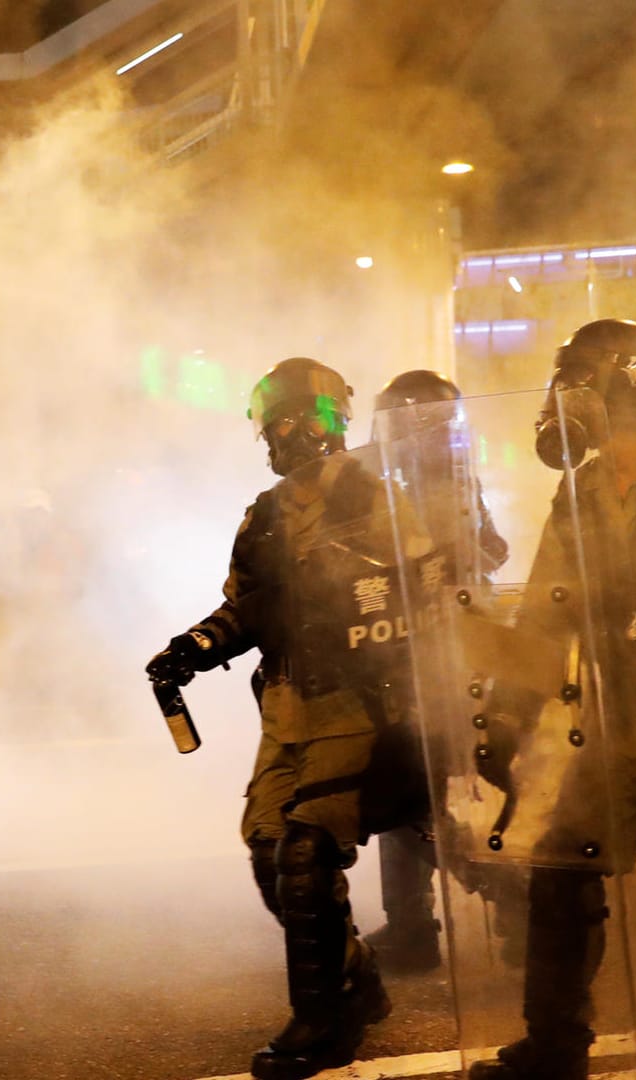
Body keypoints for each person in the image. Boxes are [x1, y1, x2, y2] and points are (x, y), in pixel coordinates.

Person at [466, 319, 636, 1080]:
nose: (561, 401)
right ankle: (554, 1047)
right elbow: (545, 611)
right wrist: (506, 714)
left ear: (624, 384)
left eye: (576, 384)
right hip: (619, 723)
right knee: (561, 870)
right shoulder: (580, 489)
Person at [147, 357, 433, 1080]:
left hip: (359, 702)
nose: (293, 432)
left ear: (337, 420)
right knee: (270, 852)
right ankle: (357, 980)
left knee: (306, 856)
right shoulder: (265, 515)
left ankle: (325, 1023)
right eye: (279, 420)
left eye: (310, 416)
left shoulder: (381, 500)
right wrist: (194, 647)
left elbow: (428, 588)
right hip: (287, 705)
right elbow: (247, 607)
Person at [364, 370, 510, 973]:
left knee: (413, 797)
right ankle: (415, 926)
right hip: (430, 650)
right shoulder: (431, 480)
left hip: (432, 656)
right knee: (406, 787)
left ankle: (510, 897)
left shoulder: (425, 488)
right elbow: (494, 548)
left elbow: (481, 552)